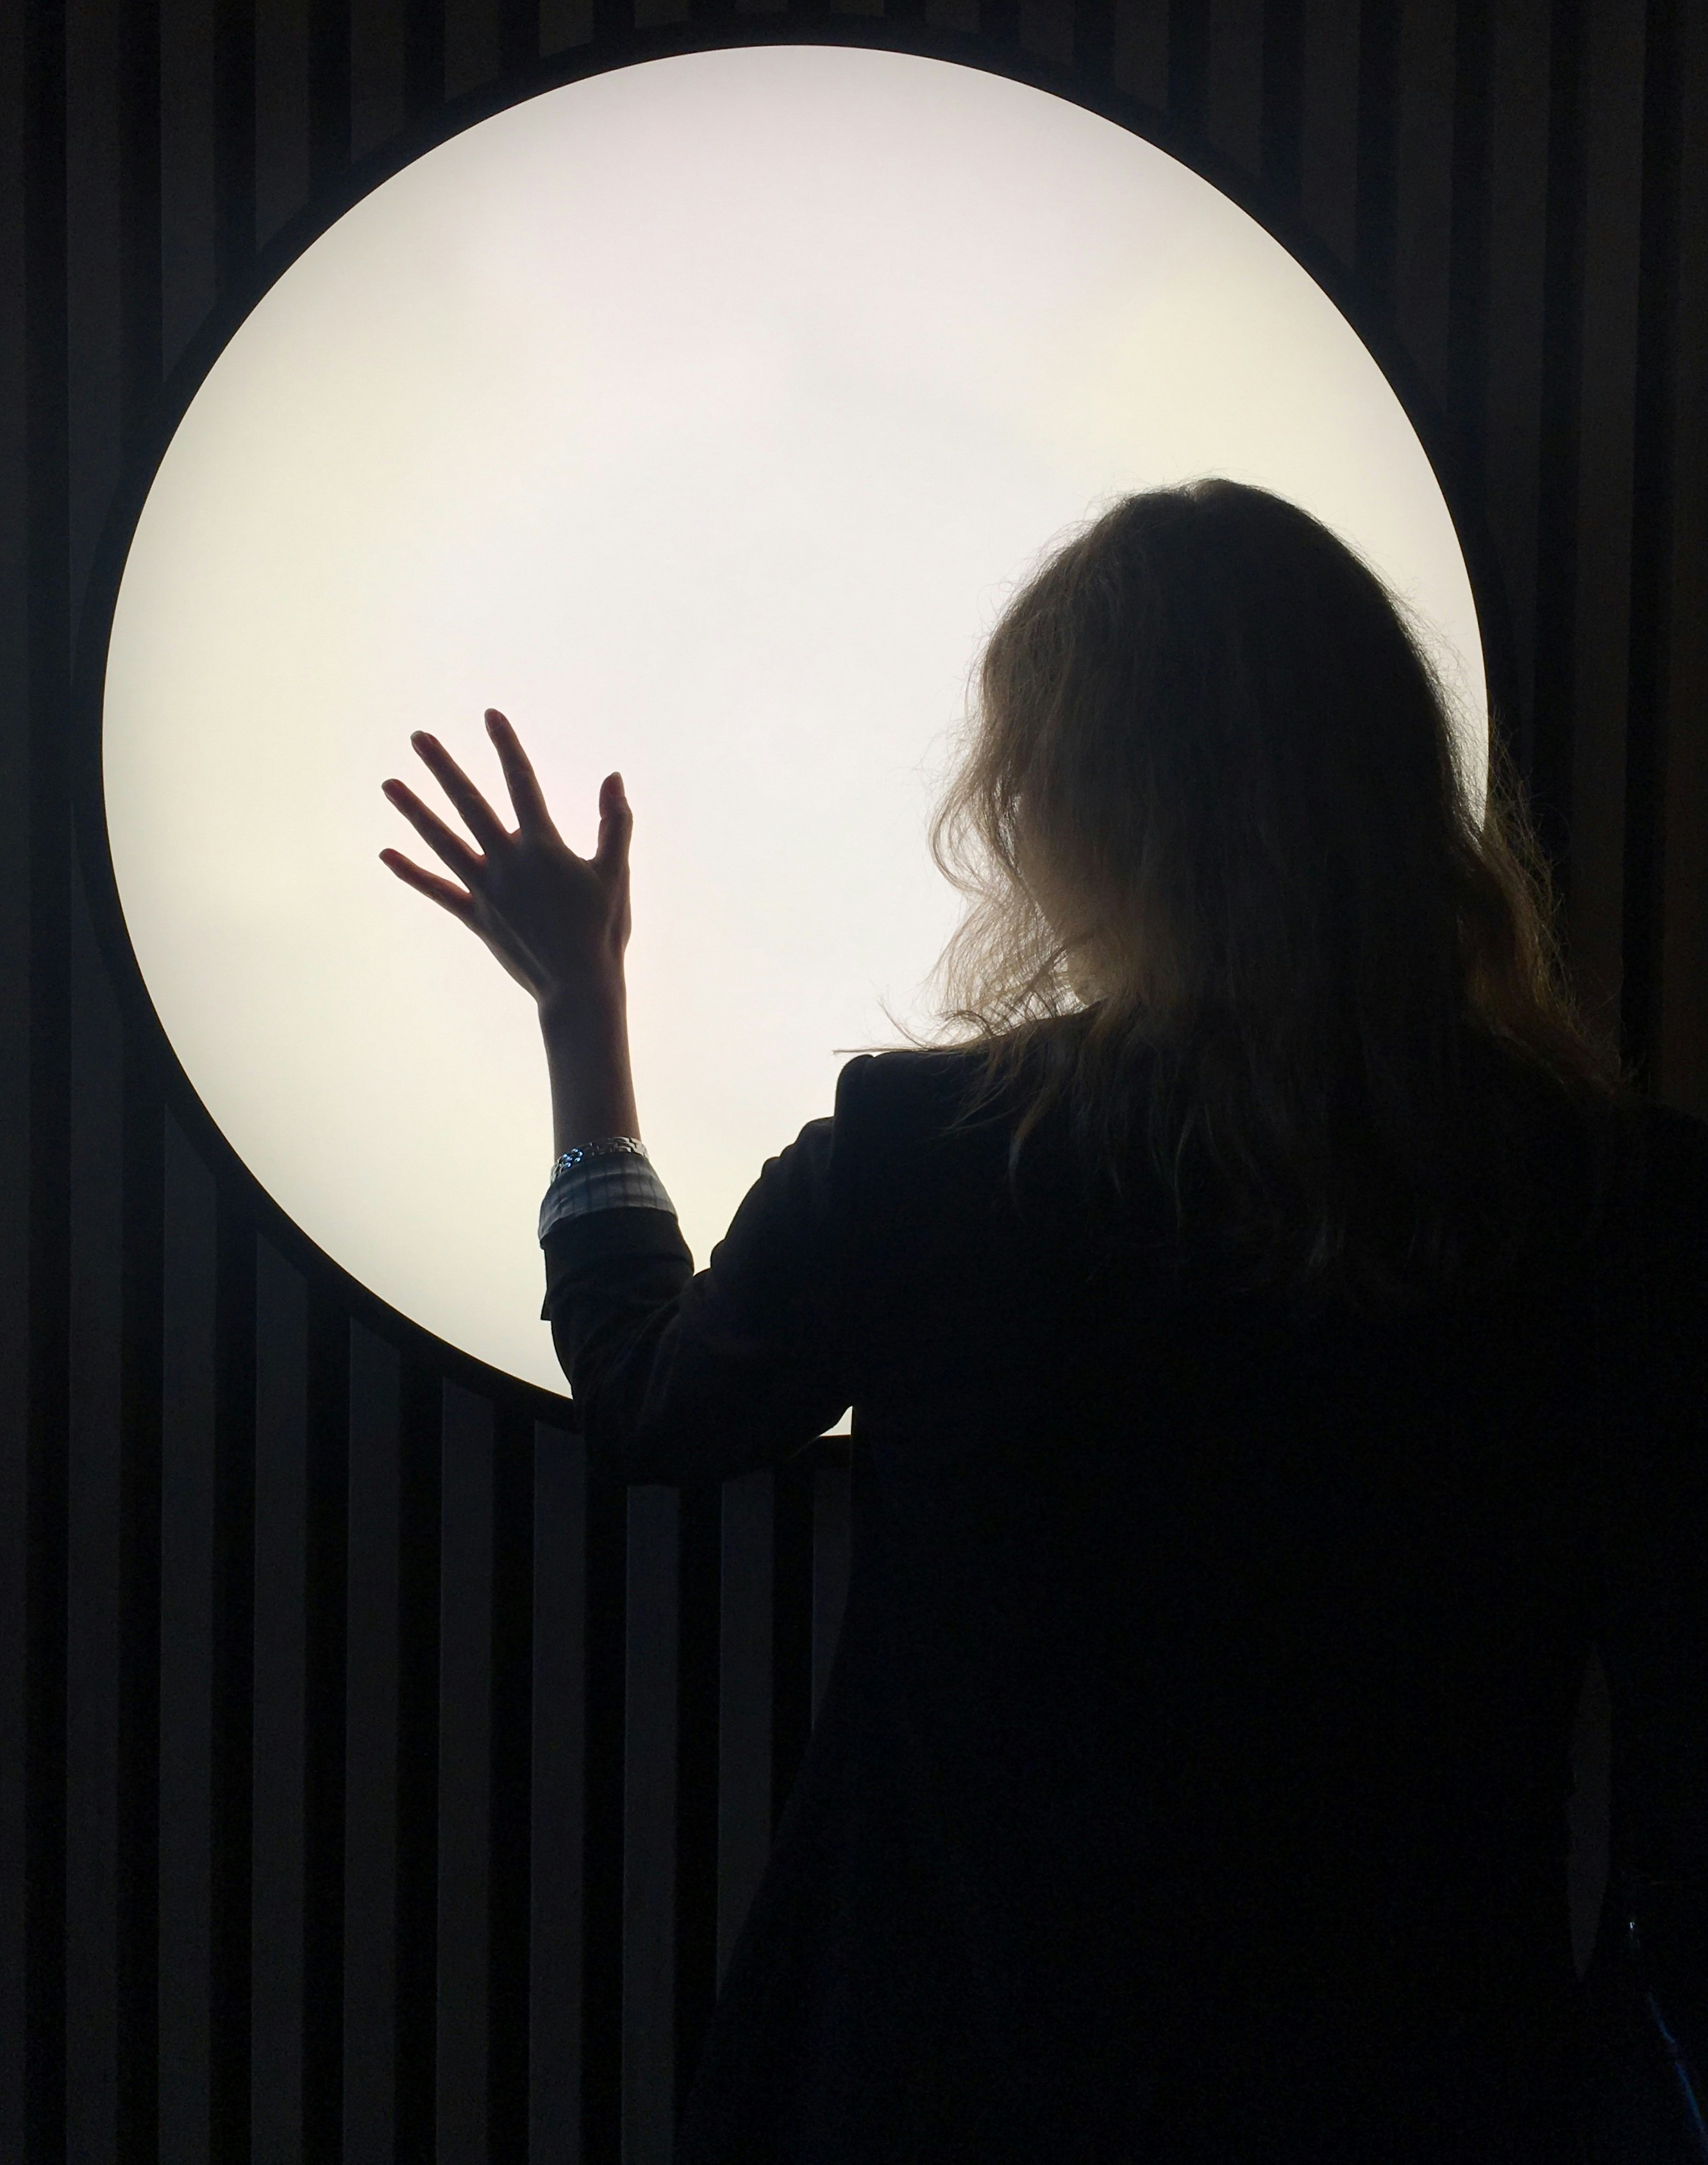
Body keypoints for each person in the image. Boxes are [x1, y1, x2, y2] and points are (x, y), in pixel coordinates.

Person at [380, 478, 1708, 2162]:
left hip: (948, 2078)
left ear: (1062, 806)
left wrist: (583, 1024)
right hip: (1421, 2091)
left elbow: (656, 1402)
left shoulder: (929, 1163)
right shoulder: (1625, 1207)